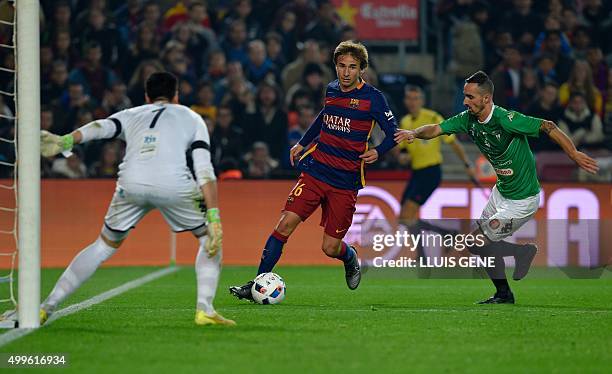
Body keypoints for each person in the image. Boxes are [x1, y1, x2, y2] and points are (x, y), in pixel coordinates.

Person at [38, 72, 234, 326]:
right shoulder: (191, 116)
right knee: (209, 239)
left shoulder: (131, 113)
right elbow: (204, 168)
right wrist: (214, 215)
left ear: (146, 96)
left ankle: (46, 306)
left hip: (130, 182)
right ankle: (204, 309)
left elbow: (101, 127)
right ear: (176, 95)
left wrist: (67, 139)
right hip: (173, 184)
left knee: (103, 245)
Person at [395, 71, 599, 304]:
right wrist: (414, 133)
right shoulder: (467, 119)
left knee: (476, 242)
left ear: (486, 99)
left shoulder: (506, 119)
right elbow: (437, 129)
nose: (465, 101)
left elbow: (548, 126)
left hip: (523, 200)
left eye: (470, 97)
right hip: (500, 193)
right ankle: (504, 291)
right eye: (465, 96)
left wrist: (573, 153)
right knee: (479, 245)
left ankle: (519, 258)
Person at [229, 40, 399, 301]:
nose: (345, 72)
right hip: (316, 170)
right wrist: (303, 143)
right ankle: (257, 284)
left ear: (361, 69)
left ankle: (350, 255)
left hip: (345, 180)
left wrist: (380, 150)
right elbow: (324, 116)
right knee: (284, 224)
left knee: (330, 248)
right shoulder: (331, 89)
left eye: (352, 67)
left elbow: (393, 132)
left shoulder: (373, 98)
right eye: (341, 66)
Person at [394, 85, 475, 259]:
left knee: (407, 215)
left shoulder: (432, 117)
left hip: (431, 172)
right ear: (405, 101)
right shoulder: (406, 121)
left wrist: (467, 165)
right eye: (409, 98)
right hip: (416, 173)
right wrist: (402, 157)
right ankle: (446, 235)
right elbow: (401, 151)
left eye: (416, 98)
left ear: (422, 101)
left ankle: (423, 255)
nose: (412, 102)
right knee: (403, 218)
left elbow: (453, 143)